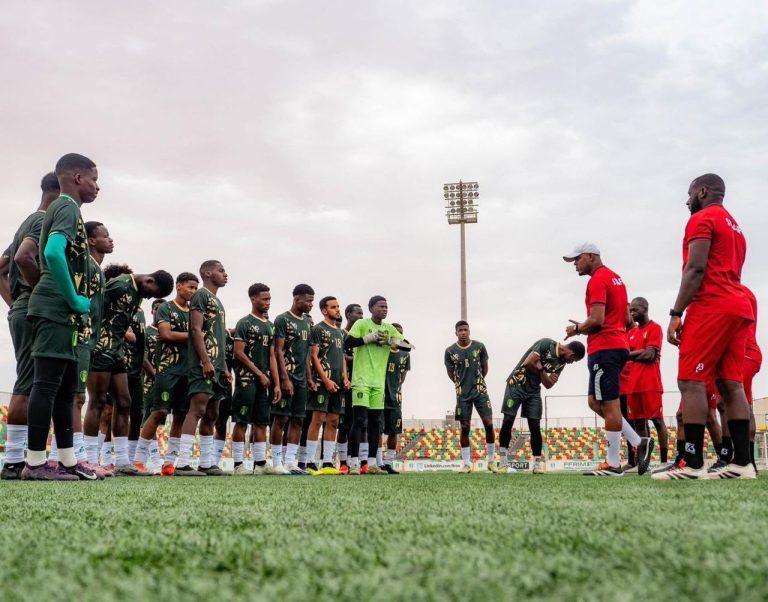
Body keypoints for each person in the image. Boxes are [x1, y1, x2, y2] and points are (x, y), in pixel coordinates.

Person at [658, 174, 754, 480]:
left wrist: (676, 312)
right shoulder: (735, 226)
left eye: (689, 194)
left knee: (691, 382)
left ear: (702, 191)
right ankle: (743, 463)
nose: (687, 201)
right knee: (731, 384)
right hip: (738, 305)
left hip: (711, 305)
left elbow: (696, 268)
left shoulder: (702, 218)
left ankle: (693, 463)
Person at [22, 154, 100, 480]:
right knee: (46, 385)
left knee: (66, 390)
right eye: (95, 179)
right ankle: (34, 463)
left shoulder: (69, 209)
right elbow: (53, 253)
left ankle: (68, 460)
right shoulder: (66, 206)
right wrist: (74, 298)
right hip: (55, 307)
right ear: (78, 177)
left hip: (63, 312)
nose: (97, 187)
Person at [563, 243, 652, 477]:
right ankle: (638, 441)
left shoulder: (597, 280)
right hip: (616, 346)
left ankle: (613, 464)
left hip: (605, 348)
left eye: (577, 259)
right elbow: (628, 321)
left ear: (591, 257)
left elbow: (597, 320)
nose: (575, 264)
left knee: (609, 405)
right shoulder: (617, 279)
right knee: (595, 402)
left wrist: (577, 329)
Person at [84, 265, 173, 476]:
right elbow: (92, 308)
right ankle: (89, 459)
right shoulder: (120, 284)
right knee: (97, 402)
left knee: (124, 402)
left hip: (117, 352)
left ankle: (123, 461)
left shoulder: (137, 294)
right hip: (100, 349)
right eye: (152, 294)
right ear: (149, 281)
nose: (150, 298)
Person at [0, 173, 60, 479]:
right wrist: (41, 294)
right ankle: (13, 461)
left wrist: (16, 302)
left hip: (23, 309)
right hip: (33, 311)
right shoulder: (43, 221)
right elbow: (24, 258)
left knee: (30, 379)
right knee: (30, 382)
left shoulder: (27, 222)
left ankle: (16, 459)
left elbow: (2, 266)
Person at [135, 273, 198, 475]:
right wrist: (194, 335)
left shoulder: (195, 312)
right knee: (159, 412)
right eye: (190, 287)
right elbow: (166, 334)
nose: (193, 291)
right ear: (179, 286)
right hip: (167, 369)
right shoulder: (166, 308)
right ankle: (138, 460)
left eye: (195, 288)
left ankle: (169, 463)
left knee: (180, 416)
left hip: (188, 370)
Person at [498, 338, 585, 474]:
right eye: (573, 360)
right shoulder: (546, 344)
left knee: (535, 426)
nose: (571, 362)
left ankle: (537, 464)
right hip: (516, 384)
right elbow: (528, 363)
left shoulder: (561, 364)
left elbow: (548, 385)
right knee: (508, 420)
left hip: (533, 391)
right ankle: (503, 463)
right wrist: (543, 374)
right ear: (572, 354)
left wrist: (540, 368)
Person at [176, 261, 230, 476]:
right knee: (197, 409)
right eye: (221, 270)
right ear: (208, 273)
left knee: (212, 413)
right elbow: (196, 330)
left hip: (218, 366)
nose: (225, 274)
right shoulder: (201, 296)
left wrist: (224, 367)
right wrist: (205, 360)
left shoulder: (217, 301)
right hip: (203, 364)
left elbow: (219, 337)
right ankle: (182, 463)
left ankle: (206, 463)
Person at [346, 296, 403, 475]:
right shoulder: (361, 324)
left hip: (378, 383)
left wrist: (390, 341)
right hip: (361, 380)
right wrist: (368, 338)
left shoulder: (389, 328)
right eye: (381, 306)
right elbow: (348, 342)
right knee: (359, 420)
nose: (384, 309)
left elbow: (407, 346)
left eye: (386, 306)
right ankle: (353, 463)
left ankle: (372, 464)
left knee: (375, 423)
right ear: (371, 308)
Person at [231, 283, 280, 475]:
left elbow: (272, 356)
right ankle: (238, 465)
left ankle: (260, 464)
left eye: (269, 299)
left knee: (261, 422)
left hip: (265, 382)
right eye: (264, 299)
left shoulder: (270, 325)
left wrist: (276, 383)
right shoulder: (245, 323)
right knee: (242, 421)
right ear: (253, 299)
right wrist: (259, 373)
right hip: (246, 381)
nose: (268, 302)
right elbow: (238, 352)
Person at [271, 284, 315, 475]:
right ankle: (276, 462)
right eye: (309, 301)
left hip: (301, 380)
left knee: (298, 420)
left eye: (313, 301)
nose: (311, 304)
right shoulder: (283, 319)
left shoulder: (306, 322)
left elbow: (306, 354)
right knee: (281, 419)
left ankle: (290, 462)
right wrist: (284, 379)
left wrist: (309, 378)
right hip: (286, 376)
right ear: (297, 299)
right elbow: (278, 351)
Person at [443, 320, 496, 474]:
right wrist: (461, 384)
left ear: (469, 331)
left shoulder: (479, 346)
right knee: (465, 427)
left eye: (465, 330)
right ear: (456, 333)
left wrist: (477, 382)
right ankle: (466, 464)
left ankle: (491, 461)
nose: (463, 333)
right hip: (463, 394)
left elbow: (485, 368)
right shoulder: (450, 351)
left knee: (489, 424)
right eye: (460, 330)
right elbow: (450, 373)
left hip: (480, 391)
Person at [623, 297, 668, 470]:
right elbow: (639, 354)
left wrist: (631, 355)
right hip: (632, 385)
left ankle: (664, 461)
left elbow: (650, 356)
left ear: (645, 308)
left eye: (635, 310)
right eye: (630, 311)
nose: (632, 313)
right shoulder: (631, 333)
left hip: (651, 383)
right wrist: (640, 352)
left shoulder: (655, 328)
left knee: (657, 421)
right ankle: (643, 461)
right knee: (639, 424)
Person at [306, 296, 349, 475]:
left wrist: (345, 377)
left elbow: (342, 357)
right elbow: (313, 357)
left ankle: (327, 463)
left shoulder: (340, 332)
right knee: (317, 419)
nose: (337, 309)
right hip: (323, 382)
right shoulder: (318, 329)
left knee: (333, 421)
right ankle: (310, 462)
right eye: (333, 307)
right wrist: (325, 380)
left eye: (338, 306)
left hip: (338, 383)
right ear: (324, 310)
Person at [337, 303, 364, 474]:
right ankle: (343, 462)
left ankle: (360, 461)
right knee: (344, 425)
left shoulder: (362, 336)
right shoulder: (341, 334)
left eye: (362, 313)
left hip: (360, 383)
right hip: (344, 384)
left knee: (359, 423)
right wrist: (355, 360)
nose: (361, 316)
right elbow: (339, 356)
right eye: (358, 313)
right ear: (348, 314)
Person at [382, 323, 410, 474]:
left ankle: (388, 463)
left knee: (393, 431)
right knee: (377, 430)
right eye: (395, 333)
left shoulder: (405, 354)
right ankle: (378, 462)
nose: (398, 336)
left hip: (395, 399)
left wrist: (395, 388)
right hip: (379, 396)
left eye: (401, 334)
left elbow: (403, 376)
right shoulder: (382, 350)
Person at [212, 329, 235, 469]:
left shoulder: (234, 338)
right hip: (211, 381)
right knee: (209, 417)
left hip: (226, 386)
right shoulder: (215, 333)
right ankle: (205, 460)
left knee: (221, 423)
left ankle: (214, 461)